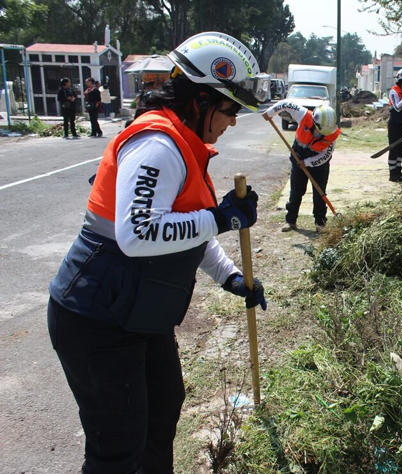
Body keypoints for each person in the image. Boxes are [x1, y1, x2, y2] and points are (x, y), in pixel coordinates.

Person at [47, 32, 266, 473]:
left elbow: (188, 232)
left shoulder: (184, 144)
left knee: (163, 410)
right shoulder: (157, 146)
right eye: (229, 109)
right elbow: (138, 232)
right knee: (117, 447)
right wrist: (222, 220)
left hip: (139, 314)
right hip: (97, 318)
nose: (234, 121)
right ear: (201, 99)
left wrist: (229, 277)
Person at [263, 101, 340, 233]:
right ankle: (291, 221)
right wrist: (270, 112)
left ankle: (320, 223)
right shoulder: (304, 115)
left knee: (319, 193)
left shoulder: (332, 133)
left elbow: (326, 155)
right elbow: (286, 104)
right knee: (296, 191)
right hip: (298, 156)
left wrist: (308, 162)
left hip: (319, 164)